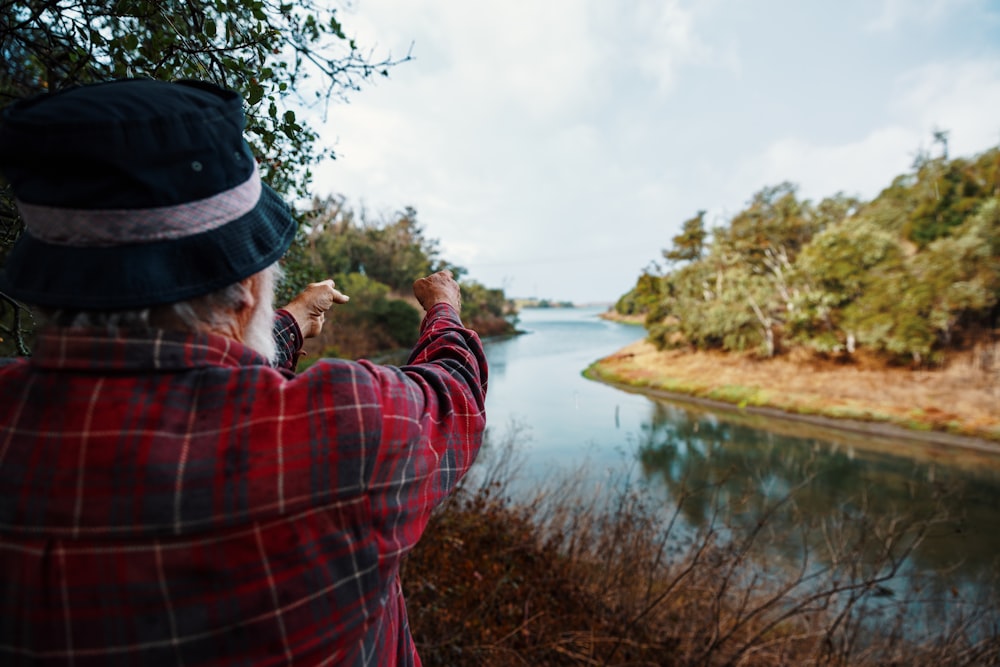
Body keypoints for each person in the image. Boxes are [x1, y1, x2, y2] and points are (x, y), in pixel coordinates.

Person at [0, 79, 488, 666]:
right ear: (246, 294)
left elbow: (186, 376)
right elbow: (454, 394)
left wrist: (291, 322)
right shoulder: (350, 428)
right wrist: (444, 308)